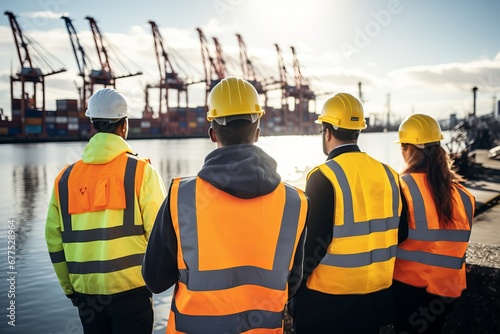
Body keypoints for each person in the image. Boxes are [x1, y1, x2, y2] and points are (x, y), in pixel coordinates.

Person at [142, 77, 308, 334]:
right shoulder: (294, 203)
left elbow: (154, 280)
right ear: (258, 132)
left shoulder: (180, 198)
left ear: (212, 133)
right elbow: (293, 282)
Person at [45, 88, 166, 334]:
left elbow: (54, 242)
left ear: (93, 125)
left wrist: (70, 290)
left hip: (86, 295)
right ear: (124, 126)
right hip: (132, 293)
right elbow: (161, 236)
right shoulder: (142, 173)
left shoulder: (64, 179)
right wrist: (157, 282)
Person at [292, 93, 402, 333]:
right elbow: (401, 233)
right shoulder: (390, 174)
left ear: (327, 131)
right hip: (377, 301)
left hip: (328, 303)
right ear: (357, 132)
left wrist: (294, 288)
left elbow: (314, 245)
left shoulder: (323, 176)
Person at [392, 114, 475, 334]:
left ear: (408, 149)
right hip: (448, 291)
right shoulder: (465, 196)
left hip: (409, 288)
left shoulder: (402, 187)